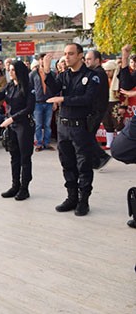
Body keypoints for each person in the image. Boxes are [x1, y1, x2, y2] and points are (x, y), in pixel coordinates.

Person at [45, 43, 100, 216]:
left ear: (80, 55)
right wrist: (46, 71)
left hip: (80, 127)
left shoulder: (91, 76)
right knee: (67, 164)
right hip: (63, 126)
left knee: (83, 165)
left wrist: (64, 99)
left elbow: (88, 99)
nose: (67, 57)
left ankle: (83, 200)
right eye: (65, 54)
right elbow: (53, 89)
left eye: (71, 54)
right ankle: (72, 197)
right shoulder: (64, 76)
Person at [0, 61, 36, 200]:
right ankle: (15, 185)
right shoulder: (10, 86)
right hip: (12, 126)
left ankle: (24, 188)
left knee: (25, 158)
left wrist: (12, 119)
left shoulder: (28, 87)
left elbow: (29, 108)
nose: (10, 72)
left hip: (23, 125)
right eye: (9, 70)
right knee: (14, 157)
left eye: (13, 70)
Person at [84, 50, 112, 169]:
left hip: (96, 110)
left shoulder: (98, 73)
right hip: (97, 109)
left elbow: (94, 94)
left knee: (87, 135)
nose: (86, 61)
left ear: (97, 60)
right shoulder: (96, 72)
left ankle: (101, 156)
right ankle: (96, 161)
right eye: (86, 59)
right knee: (89, 134)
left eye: (89, 59)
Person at [30, 53, 56, 151]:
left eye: (44, 59)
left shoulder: (52, 74)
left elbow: (55, 89)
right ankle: (39, 143)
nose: (42, 61)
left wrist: (55, 102)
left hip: (49, 101)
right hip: (38, 102)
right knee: (38, 124)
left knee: (47, 125)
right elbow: (30, 87)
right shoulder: (33, 73)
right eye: (41, 59)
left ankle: (47, 143)